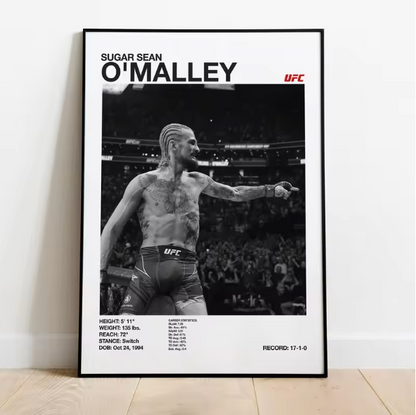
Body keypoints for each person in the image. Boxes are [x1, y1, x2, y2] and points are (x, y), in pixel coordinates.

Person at [100, 123, 299, 315]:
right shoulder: (144, 181)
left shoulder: (198, 180)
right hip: (149, 267)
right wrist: (100, 270)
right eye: (192, 142)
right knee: (127, 329)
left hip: (186, 268)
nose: (198, 148)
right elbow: (113, 227)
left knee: (199, 331)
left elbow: (235, 193)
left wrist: (270, 190)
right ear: (173, 145)